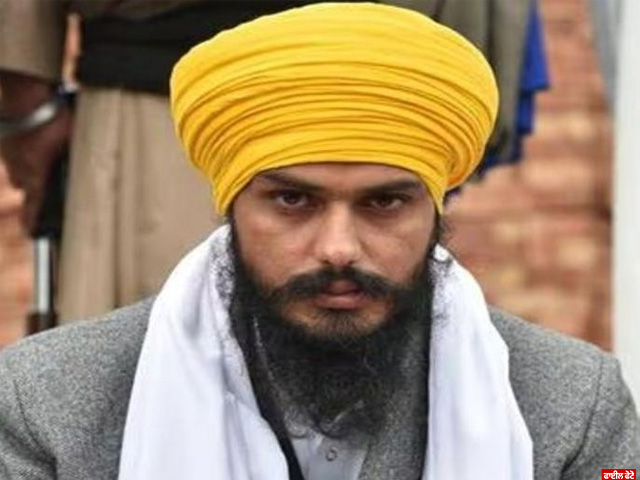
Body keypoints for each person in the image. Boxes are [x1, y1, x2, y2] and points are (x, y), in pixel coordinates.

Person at [0, 3, 638, 479]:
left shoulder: (574, 402)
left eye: (383, 203)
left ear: (437, 210)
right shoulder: (48, 400)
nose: (338, 248)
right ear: (230, 206)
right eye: (292, 201)